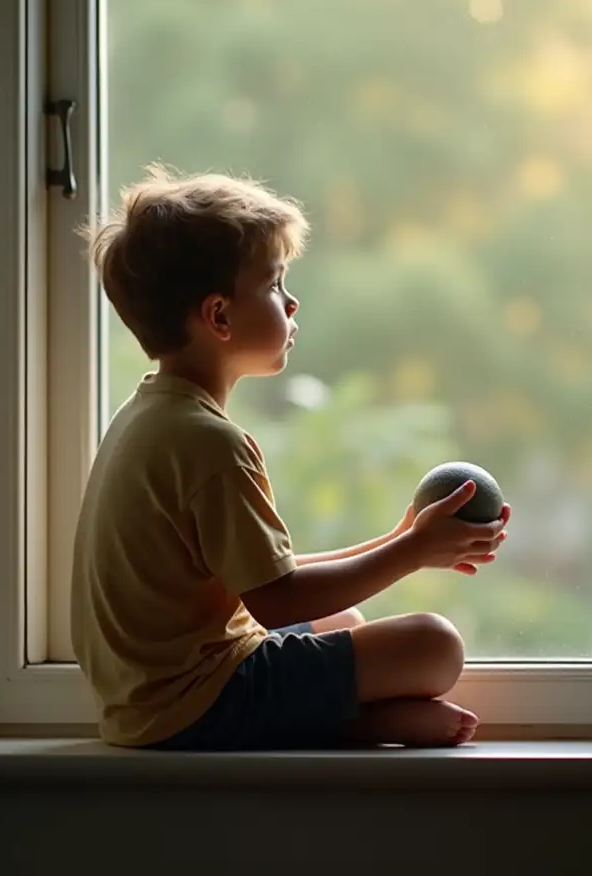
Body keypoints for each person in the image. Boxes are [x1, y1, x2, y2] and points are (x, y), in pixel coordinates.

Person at [70, 164, 510, 750]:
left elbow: (263, 579)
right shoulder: (210, 443)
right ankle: (361, 724)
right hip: (197, 706)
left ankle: (353, 718)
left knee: (346, 624)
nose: (292, 301)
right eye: (275, 284)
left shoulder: (147, 417)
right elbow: (278, 602)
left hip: (146, 702)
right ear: (219, 316)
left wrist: (396, 539)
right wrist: (412, 552)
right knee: (435, 646)